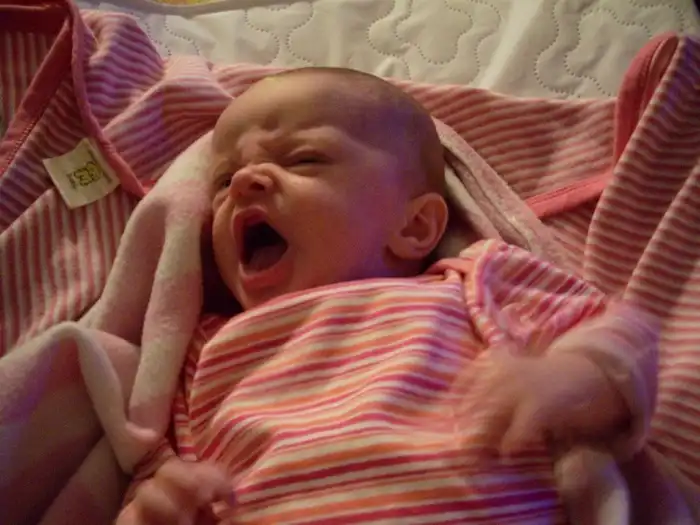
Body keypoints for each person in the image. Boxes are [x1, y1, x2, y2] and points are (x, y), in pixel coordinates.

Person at [116, 68, 658, 525]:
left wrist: (571, 377)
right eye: (222, 180)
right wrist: (154, 508)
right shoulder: (204, 347)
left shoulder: (473, 280)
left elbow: (621, 333)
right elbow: (164, 477)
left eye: (304, 159)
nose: (244, 183)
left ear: (415, 226)